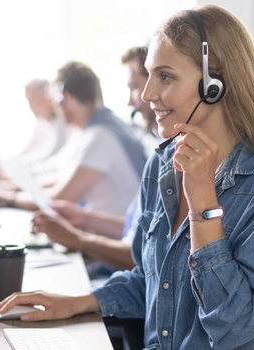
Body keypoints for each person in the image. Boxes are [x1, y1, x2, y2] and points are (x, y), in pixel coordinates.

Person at [0, 5, 254, 349]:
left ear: (215, 83)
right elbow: (151, 282)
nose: (147, 94)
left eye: (165, 77)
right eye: (149, 75)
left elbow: (235, 325)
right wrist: (77, 302)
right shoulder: (163, 165)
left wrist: (203, 208)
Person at [31, 46, 163, 277]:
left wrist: (80, 239)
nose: (134, 103)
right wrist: (83, 218)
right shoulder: (158, 153)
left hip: (117, 262)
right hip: (116, 254)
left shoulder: (102, 135)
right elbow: (139, 232)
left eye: (133, 86)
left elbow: (144, 255)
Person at [0, 62, 147, 216]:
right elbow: (62, 178)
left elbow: (60, 199)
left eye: (55, 99)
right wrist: (15, 185)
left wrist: (8, 198)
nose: (54, 106)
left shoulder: (99, 136)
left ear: (66, 99)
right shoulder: (101, 127)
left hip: (113, 235)